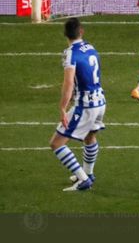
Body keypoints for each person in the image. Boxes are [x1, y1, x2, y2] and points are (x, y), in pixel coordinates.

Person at [49, 18, 105, 191]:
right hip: (100, 101)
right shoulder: (91, 47)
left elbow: (68, 83)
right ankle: (88, 173)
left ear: (65, 34)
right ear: (82, 31)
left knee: (56, 143)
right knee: (90, 137)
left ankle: (82, 180)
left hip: (85, 105)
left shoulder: (70, 53)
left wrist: (63, 108)